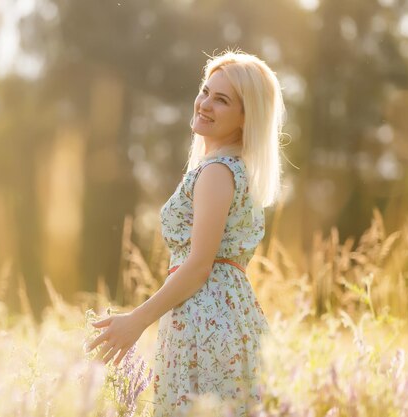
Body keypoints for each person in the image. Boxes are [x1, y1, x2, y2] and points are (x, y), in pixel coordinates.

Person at [85, 48, 286, 416]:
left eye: (221, 100)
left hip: (204, 327)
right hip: (232, 320)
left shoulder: (217, 172)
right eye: (205, 91)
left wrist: (137, 321)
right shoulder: (234, 170)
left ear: (245, 118)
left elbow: (198, 267)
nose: (205, 104)